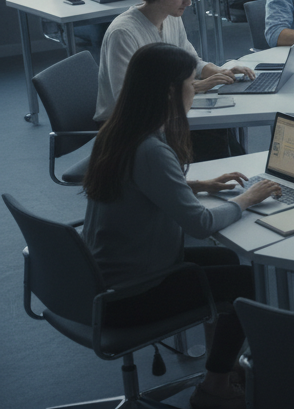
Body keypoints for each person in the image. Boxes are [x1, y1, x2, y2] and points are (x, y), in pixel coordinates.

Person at [81, 43, 282, 409]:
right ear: (171, 92)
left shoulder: (119, 131)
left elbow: (137, 186)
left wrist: (199, 186)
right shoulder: (152, 149)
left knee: (229, 265)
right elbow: (201, 223)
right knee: (251, 285)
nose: (196, 89)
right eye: (192, 83)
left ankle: (222, 365)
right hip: (130, 294)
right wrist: (247, 199)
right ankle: (214, 387)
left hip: (101, 278)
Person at [95, 0, 254, 158]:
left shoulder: (171, 17)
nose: (188, 2)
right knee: (212, 136)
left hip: (162, 115)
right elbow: (127, 100)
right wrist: (195, 87)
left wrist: (220, 71)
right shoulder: (123, 33)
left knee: (219, 130)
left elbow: (191, 62)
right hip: (128, 127)